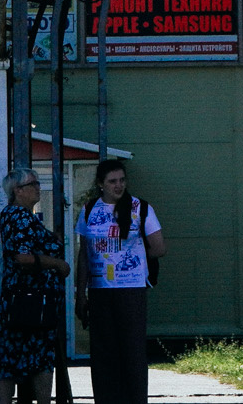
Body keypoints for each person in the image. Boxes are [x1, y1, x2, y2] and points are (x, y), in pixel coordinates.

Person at [76, 159, 163, 404]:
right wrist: (80, 293)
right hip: (100, 289)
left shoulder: (139, 208)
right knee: (103, 352)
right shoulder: (90, 209)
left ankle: (134, 399)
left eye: (122, 180)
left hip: (130, 288)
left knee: (132, 351)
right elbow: (84, 254)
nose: (118, 186)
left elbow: (159, 247)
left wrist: (132, 257)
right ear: (100, 184)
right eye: (112, 181)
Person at [0, 169, 70, 404]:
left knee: (10, 358)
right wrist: (58, 263)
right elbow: (23, 257)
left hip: (20, 301)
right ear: (18, 190)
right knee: (39, 358)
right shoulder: (21, 217)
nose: (38, 187)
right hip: (32, 303)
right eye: (33, 184)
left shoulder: (15, 215)